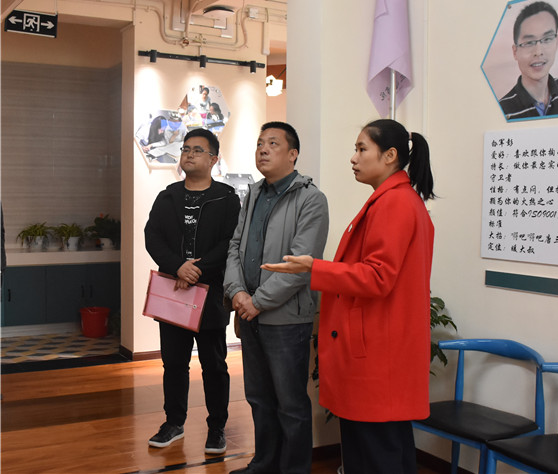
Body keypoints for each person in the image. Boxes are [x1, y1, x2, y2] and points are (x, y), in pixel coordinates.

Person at [262, 119, 435, 474]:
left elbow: (378, 277)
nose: (353, 158)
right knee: (383, 452)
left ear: (390, 155)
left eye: (361, 149)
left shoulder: (395, 203)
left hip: (378, 352)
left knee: (375, 455)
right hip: (381, 348)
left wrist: (315, 268)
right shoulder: (393, 199)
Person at [223, 121, 329, 474]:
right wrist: (237, 292)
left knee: (291, 405)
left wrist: (258, 302)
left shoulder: (311, 199)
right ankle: (264, 464)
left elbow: (301, 265)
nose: (263, 150)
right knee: (258, 398)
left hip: (285, 319)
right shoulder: (253, 194)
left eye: (272, 144)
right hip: (248, 313)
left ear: (293, 154)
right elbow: (235, 246)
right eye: (259, 144)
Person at [145, 128, 241, 454]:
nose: (188, 154)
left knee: (214, 365)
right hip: (173, 290)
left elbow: (230, 242)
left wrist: (195, 269)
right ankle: (173, 423)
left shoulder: (227, 198)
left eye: (197, 150)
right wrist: (178, 267)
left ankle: (217, 428)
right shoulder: (168, 196)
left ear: (213, 159)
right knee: (173, 363)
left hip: (209, 293)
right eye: (186, 149)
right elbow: (152, 236)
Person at [499, 1, 558, 120]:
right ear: (515, 52)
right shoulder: (503, 109)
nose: (538, 52)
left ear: (556, 42)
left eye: (547, 39)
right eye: (529, 42)